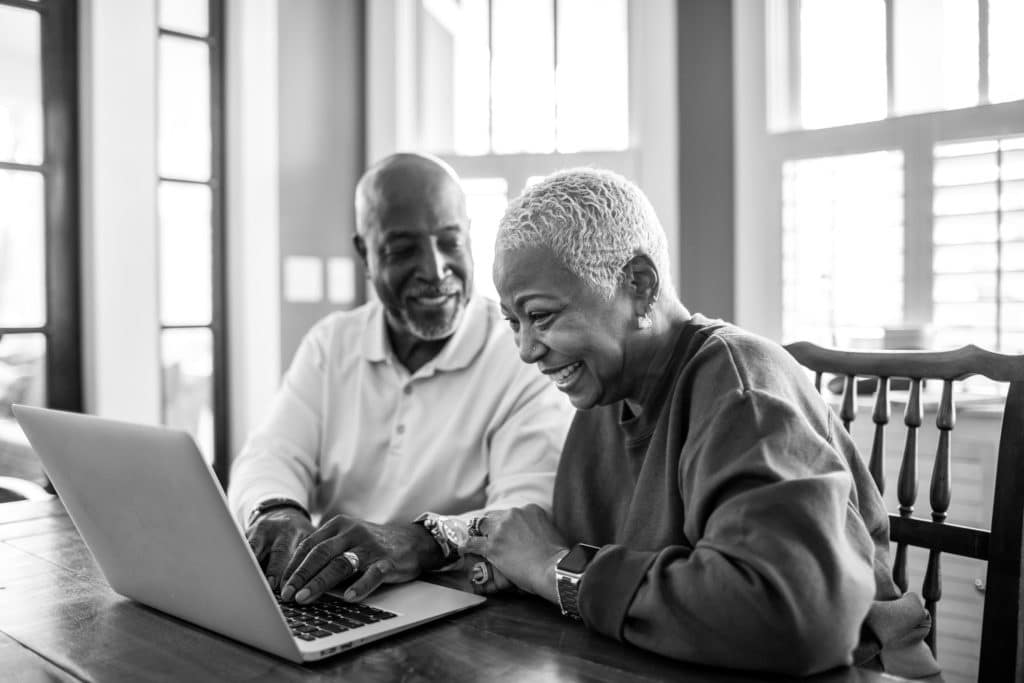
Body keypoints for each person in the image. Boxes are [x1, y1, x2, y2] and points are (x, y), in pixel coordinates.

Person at [464, 168, 940, 678]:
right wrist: (525, 565)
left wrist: (552, 570)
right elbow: (594, 561)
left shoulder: (742, 388)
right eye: (513, 322)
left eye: (541, 316)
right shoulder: (602, 395)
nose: (526, 350)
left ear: (638, 286)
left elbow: (792, 618)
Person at [228, 153, 571, 606]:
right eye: (403, 250)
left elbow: (527, 516)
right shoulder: (332, 344)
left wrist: (420, 541)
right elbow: (269, 456)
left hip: (459, 612)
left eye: (450, 242)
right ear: (364, 255)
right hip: (327, 598)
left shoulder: (522, 354)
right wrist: (278, 509)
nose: (434, 270)